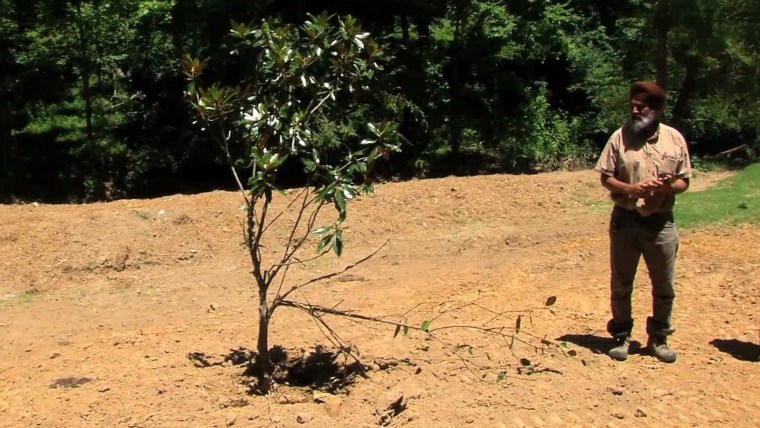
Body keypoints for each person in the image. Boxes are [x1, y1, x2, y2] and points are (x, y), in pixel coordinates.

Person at [594, 81, 692, 363]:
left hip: (661, 223)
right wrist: (631, 190)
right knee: (622, 283)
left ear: (656, 109)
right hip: (625, 220)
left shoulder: (674, 139)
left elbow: (684, 181)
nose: (635, 111)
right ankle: (621, 336)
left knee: (664, 285)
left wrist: (667, 187)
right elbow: (605, 177)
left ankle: (659, 338)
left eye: (641, 107)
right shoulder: (619, 137)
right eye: (632, 106)